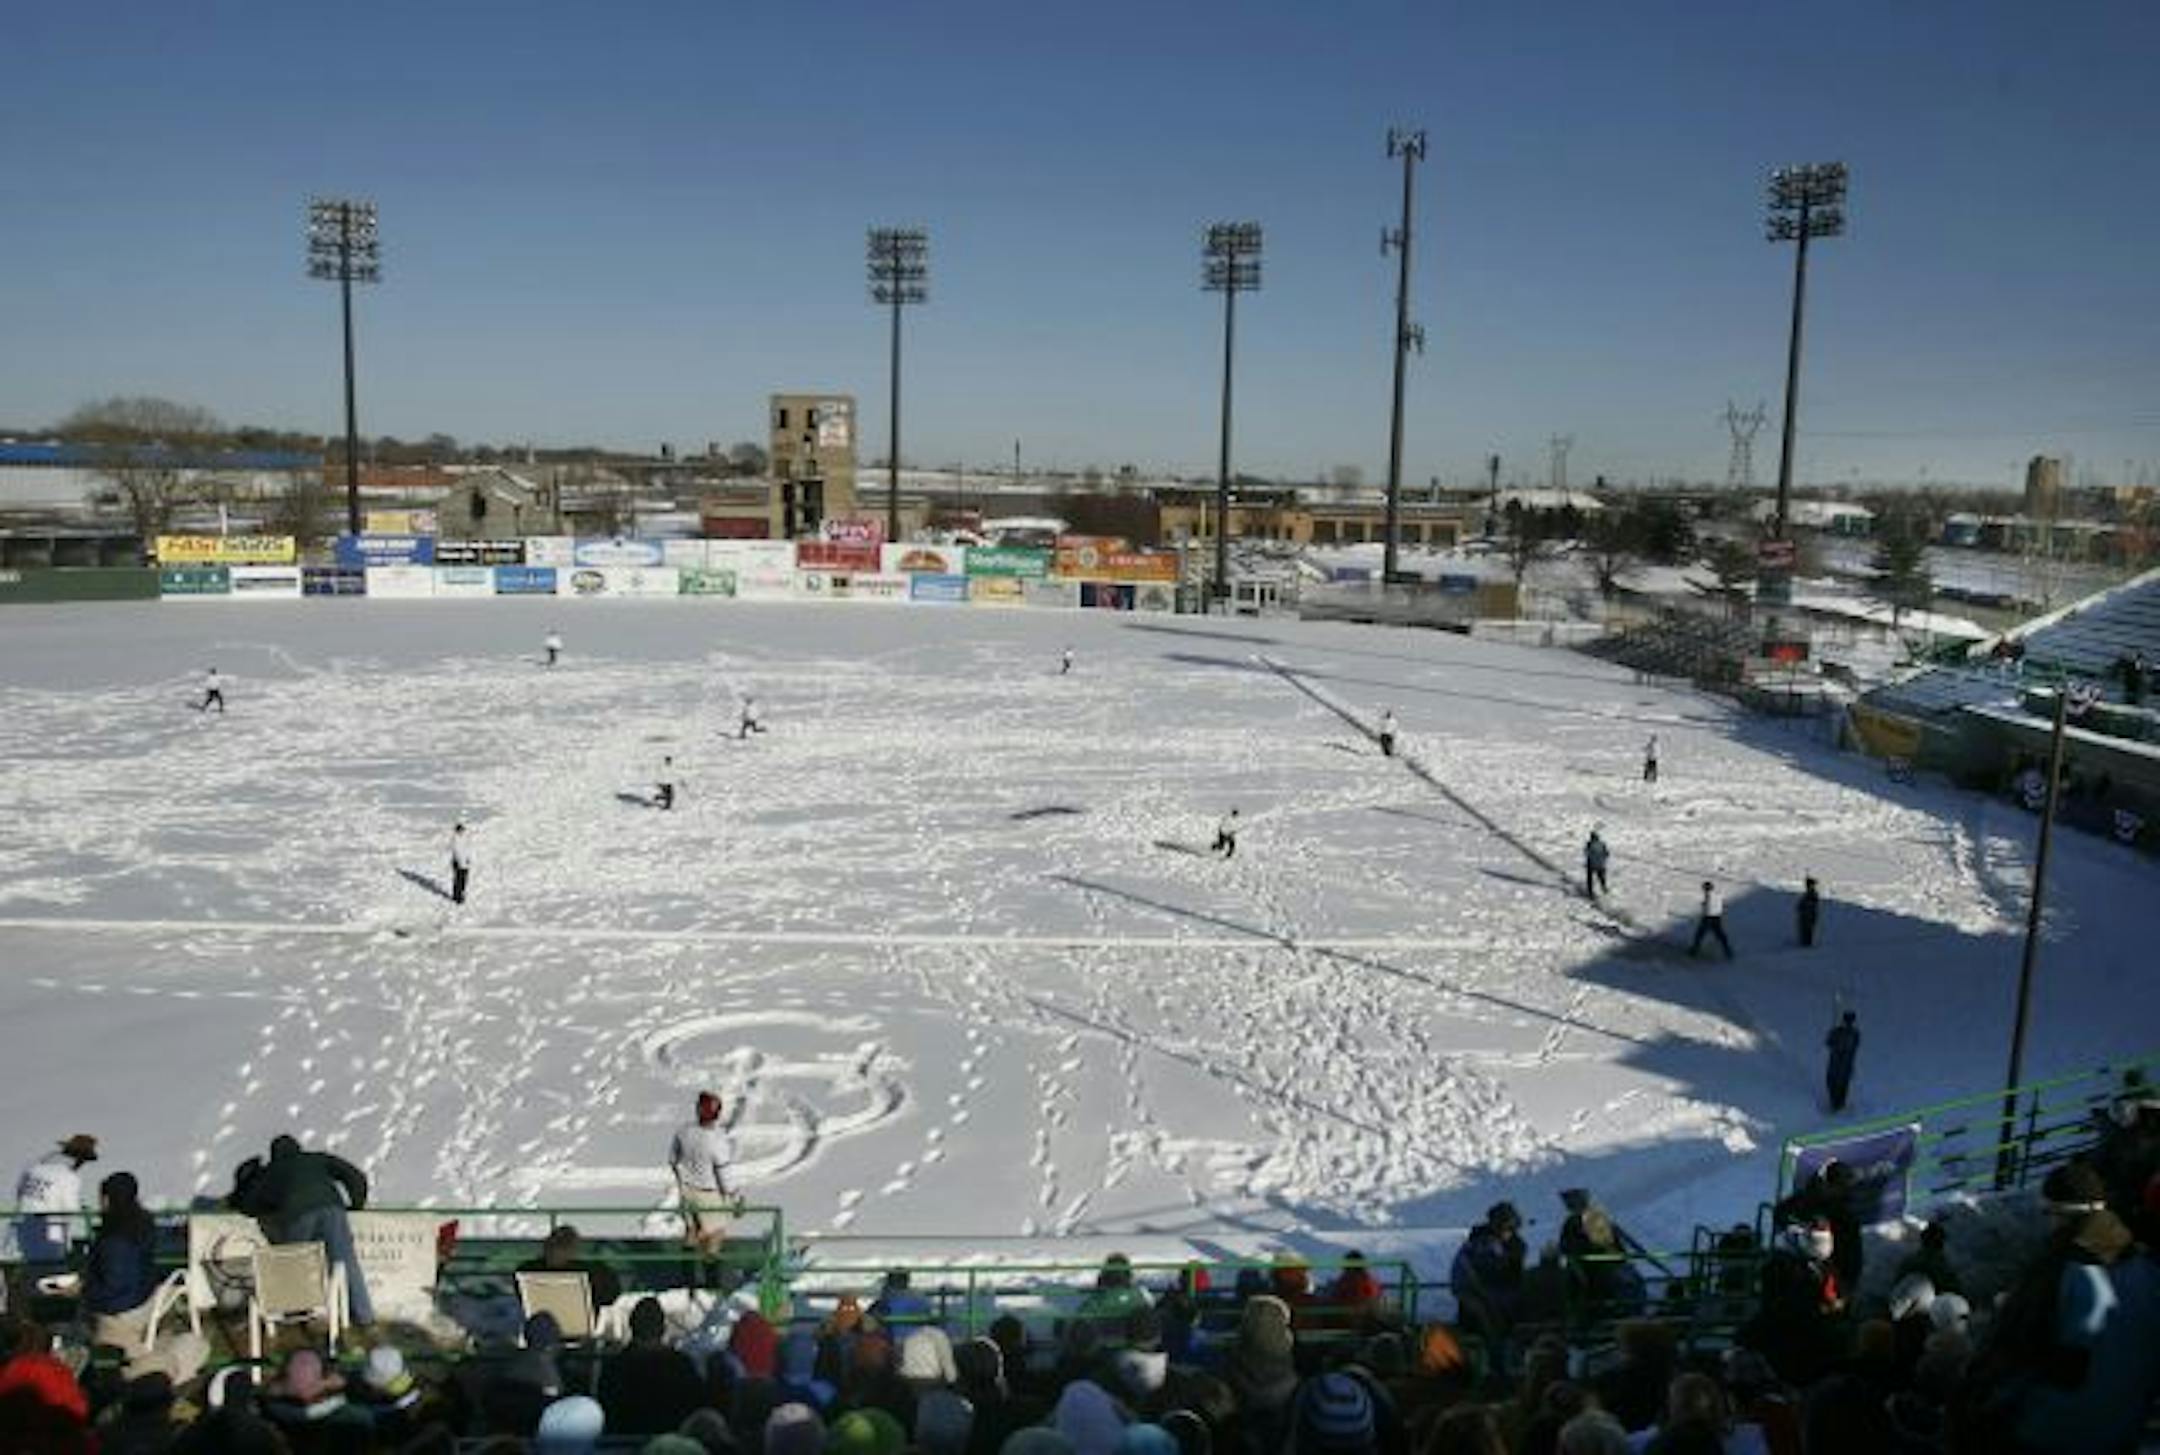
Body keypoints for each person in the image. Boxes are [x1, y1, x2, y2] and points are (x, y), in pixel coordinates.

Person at [232, 1134, 375, 1326]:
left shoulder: (273, 1170)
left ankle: (299, 1314)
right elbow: (354, 1175)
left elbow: (249, 1204)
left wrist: (261, 1205)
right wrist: (357, 1203)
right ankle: (364, 1316)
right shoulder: (316, 1158)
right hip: (332, 1209)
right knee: (344, 1262)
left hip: (297, 1214)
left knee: (295, 1263)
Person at [597, 1296, 705, 1436]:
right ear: (663, 1328)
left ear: (632, 1325)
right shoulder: (682, 1365)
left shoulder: (614, 1368)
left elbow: (606, 1413)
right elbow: (696, 1409)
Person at [13, 1134, 96, 1279]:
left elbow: (19, 1193)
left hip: (24, 1227)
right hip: (52, 1230)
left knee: (33, 1269)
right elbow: (71, 1208)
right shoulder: (69, 1177)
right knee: (52, 1269)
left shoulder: (34, 1169)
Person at [1448, 1202, 1527, 1351]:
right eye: (1507, 1229)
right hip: (1474, 1292)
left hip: (1481, 1291)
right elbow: (1492, 1275)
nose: (1509, 1233)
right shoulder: (1484, 1243)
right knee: (1495, 1322)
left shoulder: (1498, 1242)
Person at [669, 1091, 737, 1258]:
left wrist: (683, 1180)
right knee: (715, 1234)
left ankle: (688, 1279)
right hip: (709, 1193)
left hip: (686, 1191)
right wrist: (733, 1196)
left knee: (691, 1232)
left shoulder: (683, 1132)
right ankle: (711, 1280)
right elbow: (723, 1172)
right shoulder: (717, 1140)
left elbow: (673, 1159)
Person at [518, 1224, 623, 1311]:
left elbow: (609, 1298)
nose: (556, 1253)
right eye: (554, 1247)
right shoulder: (528, 1270)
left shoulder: (597, 1273)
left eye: (561, 1247)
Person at [1824, 1011, 1861, 1113]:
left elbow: (1830, 1043)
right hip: (1841, 1064)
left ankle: (1837, 1106)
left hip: (1840, 1064)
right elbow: (1829, 1043)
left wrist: (1833, 1035)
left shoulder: (1849, 1034)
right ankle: (1837, 1105)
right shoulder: (1852, 1033)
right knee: (1837, 1084)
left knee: (1837, 1084)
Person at [1690, 880, 1734, 959]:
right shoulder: (1717, 895)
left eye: (1704, 889)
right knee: (1720, 934)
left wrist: (1704, 905)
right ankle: (1727, 950)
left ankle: (1694, 950)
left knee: (1700, 934)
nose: (1703, 891)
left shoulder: (1708, 895)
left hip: (1708, 917)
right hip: (1717, 917)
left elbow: (1707, 908)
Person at [1583, 828, 1610, 899]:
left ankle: (1590, 892)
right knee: (1601, 877)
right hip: (1601, 865)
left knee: (1590, 878)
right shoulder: (1602, 844)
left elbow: (1586, 853)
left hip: (1592, 864)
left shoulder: (1589, 844)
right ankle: (1604, 888)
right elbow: (1607, 854)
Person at [450, 822, 473, 905]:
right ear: (457, 830)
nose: (462, 831)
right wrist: (460, 862)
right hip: (458, 862)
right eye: (460, 830)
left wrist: (467, 859)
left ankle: (461, 894)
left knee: (464, 879)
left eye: (463, 830)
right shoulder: (455, 839)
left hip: (464, 862)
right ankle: (457, 896)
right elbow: (456, 852)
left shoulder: (464, 838)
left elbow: (466, 849)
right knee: (458, 879)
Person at [1796, 877, 1821, 948]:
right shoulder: (1808, 895)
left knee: (1809, 931)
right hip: (1805, 916)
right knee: (1805, 931)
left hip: (1809, 916)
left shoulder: (1812, 895)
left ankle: (1807, 945)